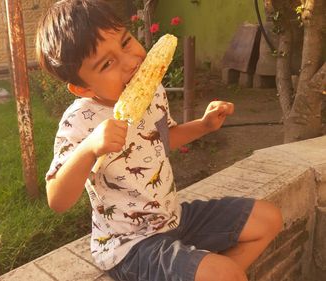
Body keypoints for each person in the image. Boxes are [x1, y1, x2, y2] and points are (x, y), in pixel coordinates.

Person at [36, 1, 283, 280]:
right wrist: (89, 148)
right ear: (83, 87)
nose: (131, 62)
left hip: (174, 217)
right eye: (107, 63)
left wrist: (204, 125)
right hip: (130, 244)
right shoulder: (79, 121)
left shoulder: (153, 91)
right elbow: (57, 199)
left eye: (126, 42)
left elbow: (162, 140)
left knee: (268, 219)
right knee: (225, 275)